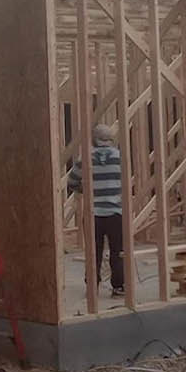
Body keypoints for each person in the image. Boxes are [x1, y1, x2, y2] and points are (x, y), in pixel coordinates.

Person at [67, 124, 126, 297]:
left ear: (94, 139)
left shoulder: (85, 158)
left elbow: (72, 182)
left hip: (93, 214)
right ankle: (118, 286)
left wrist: (86, 190)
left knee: (93, 252)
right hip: (115, 213)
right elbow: (124, 181)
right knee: (117, 251)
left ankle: (93, 287)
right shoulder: (120, 157)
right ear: (111, 139)